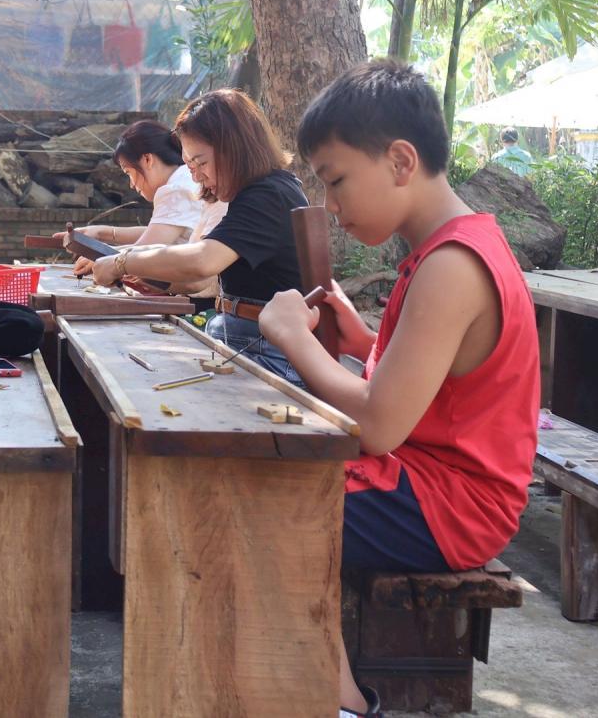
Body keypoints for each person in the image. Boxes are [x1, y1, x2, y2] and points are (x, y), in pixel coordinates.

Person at [258, 60, 540, 717]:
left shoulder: (453, 265)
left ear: (401, 160)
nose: (331, 206)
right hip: (431, 481)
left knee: (268, 509)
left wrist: (293, 338)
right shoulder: (452, 247)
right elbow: (439, 382)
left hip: (451, 502)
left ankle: (341, 702)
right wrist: (362, 344)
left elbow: (379, 424)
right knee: (271, 484)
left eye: (336, 180)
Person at [89, 89, 309, 384]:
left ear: (235, 149)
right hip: (241, 337)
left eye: (201, 163)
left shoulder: (269, 194)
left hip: (268, 351)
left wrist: (123, 262)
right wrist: (142, 273)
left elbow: (202, 262)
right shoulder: (252, 195)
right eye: (190, 165)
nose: (195, 176)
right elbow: (193, 281)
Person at [62, 121, 205, 276]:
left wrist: (101, 257)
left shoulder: (175, 190)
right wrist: (99, 232)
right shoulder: (182, 179)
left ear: (147, 160)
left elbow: (147, 248)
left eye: (129, 173)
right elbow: (157, 233)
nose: (131, 184)